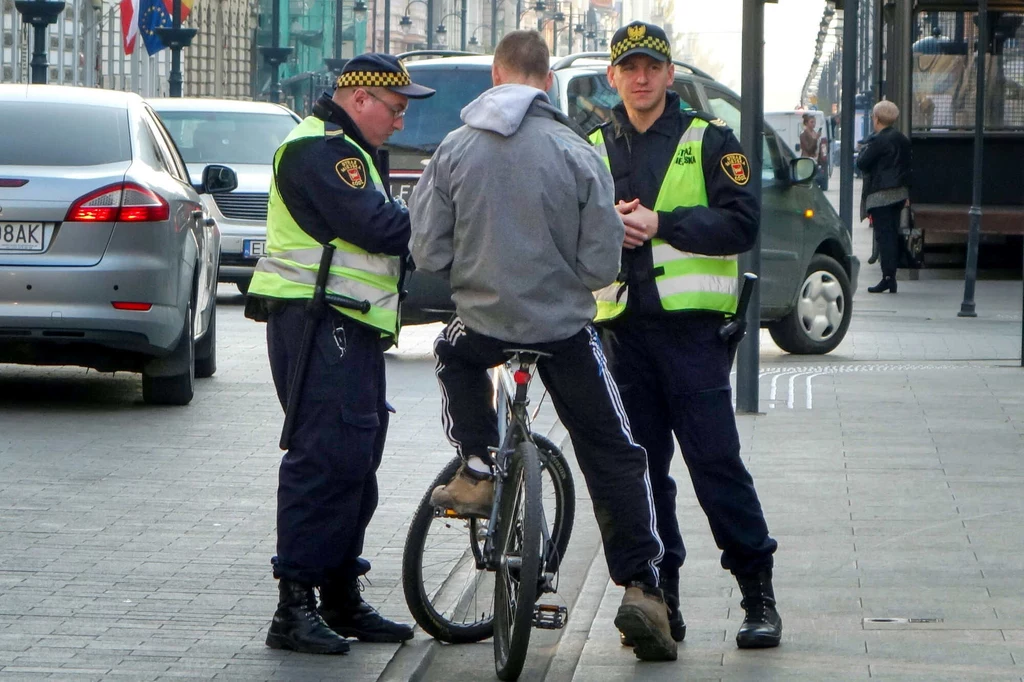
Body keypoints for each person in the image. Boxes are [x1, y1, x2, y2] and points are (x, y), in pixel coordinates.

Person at [409, 30, 677, 662]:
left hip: (483, 324)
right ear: (548, 82)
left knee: (452, 355)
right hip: (561, 331)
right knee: (614, 451)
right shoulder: (576, 151)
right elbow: (601, 261)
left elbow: (428, 251)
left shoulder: (453, 149)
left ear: (494, 80)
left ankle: (476, 467)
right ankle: (643, 588)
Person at [588, 21, 782, 650]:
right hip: (623, 336)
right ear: (613, 77)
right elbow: (570, 228)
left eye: (651, 67)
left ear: (671, 75)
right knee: (642, 475)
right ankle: (658, 601)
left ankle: (757, 594)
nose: (640, 79)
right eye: (629, 68)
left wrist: (661, 222)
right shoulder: (591, 145)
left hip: (693, 338)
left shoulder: (711, 140)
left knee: (715, 463)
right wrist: (605, 229)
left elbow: (742, 222)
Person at [246, 53, 435, 655]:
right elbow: (376, 227)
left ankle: (339, 594)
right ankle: (294, 607)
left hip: (345, 324)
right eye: (396, 108)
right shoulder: (320, 150)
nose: (401, 122)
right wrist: (443, 218)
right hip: (315, 319)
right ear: (360, 100)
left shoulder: (351, 151)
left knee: (357, 453)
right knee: (323, 456)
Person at [856, 100, 912, 293]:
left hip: (881, 195)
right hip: (898, 194)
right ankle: (891, 276)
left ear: (877, 118)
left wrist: (864, 148)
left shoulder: (879, 140)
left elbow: (862, 163)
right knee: (892, 233)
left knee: (884, 236)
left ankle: (888, 277)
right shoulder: (902, 139)